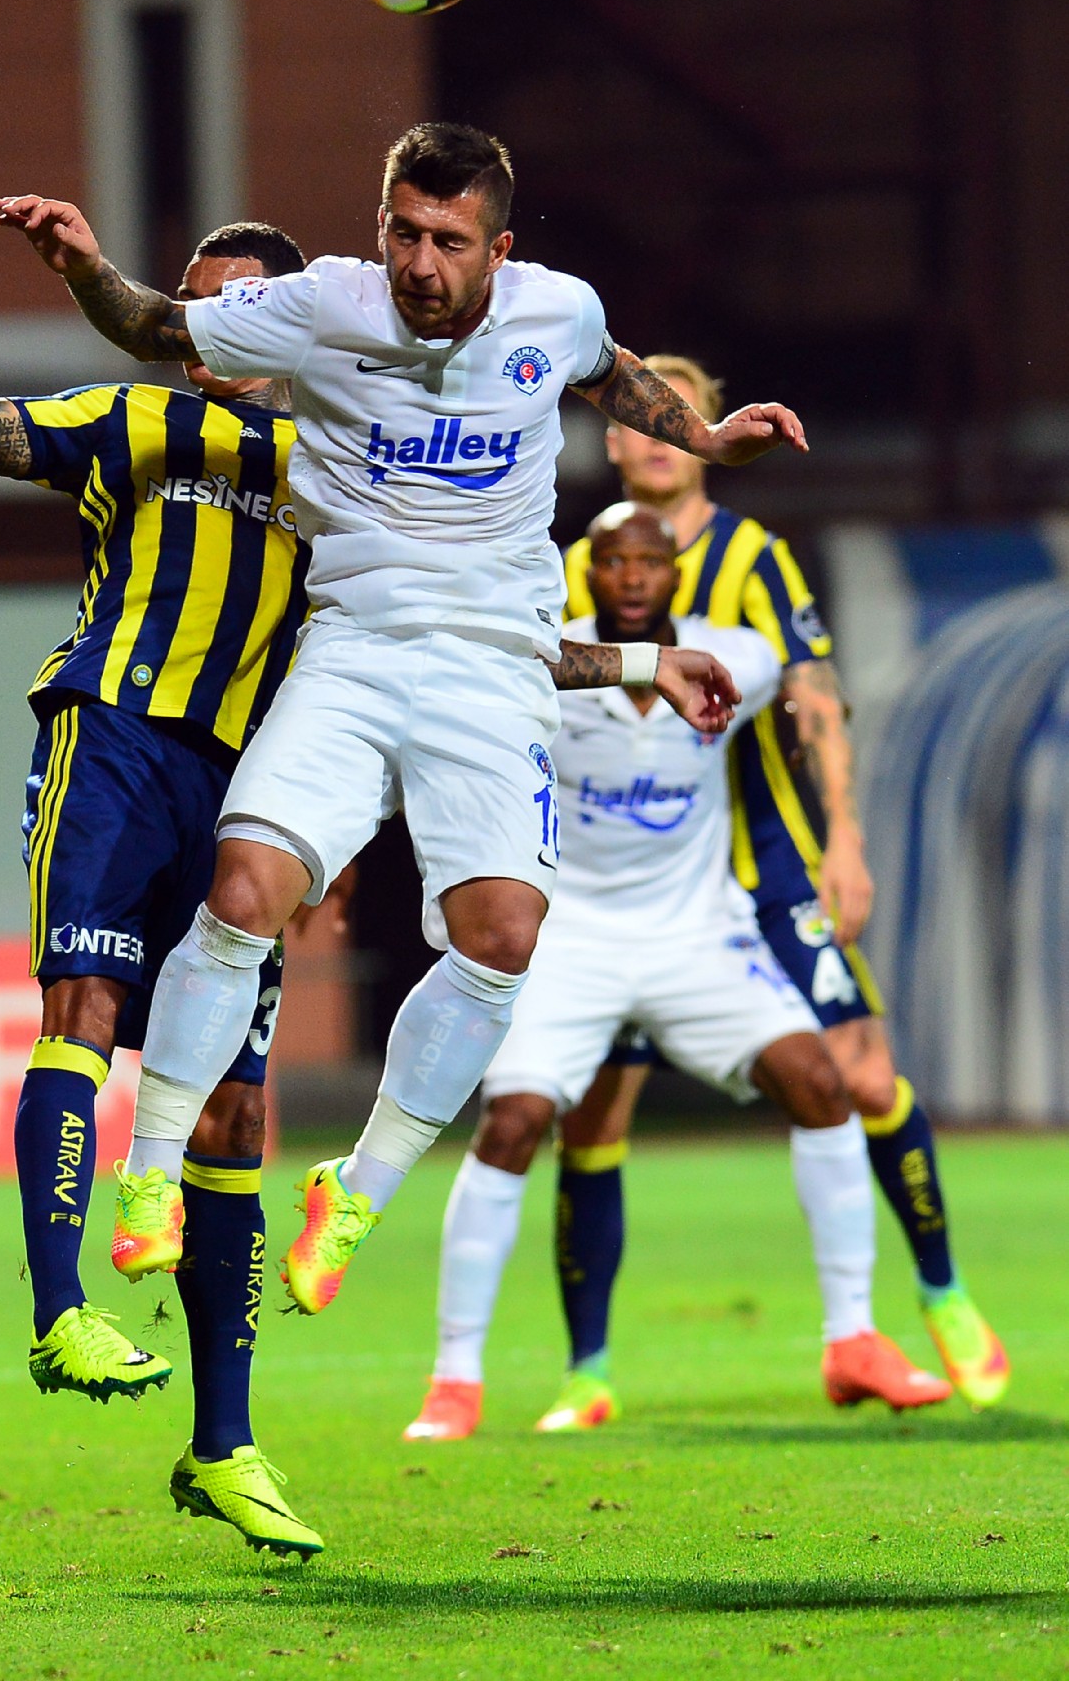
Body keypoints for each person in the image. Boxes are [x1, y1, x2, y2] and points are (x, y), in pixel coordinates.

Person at [0, 122, 804, 1327]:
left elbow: (609, 369)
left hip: (496, 669)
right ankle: (150, 1170)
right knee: (242, 893)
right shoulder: (324, 303)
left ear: (498, 251)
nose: (421, 263)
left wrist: (706, 436)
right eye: (403, 233)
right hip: (355, 650)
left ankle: (359, 1189)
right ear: (380, 224)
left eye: (449, 241)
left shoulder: (554, 311)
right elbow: (158, 328)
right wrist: (81, 268)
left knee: (502, 939)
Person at [0, 182, 325, 1561]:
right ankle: (62, 1311)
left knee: (236, 1109)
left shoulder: (343, 469)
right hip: (113, 739)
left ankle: (225, 1447)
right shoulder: (130, 419)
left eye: (242, 306)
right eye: (195, 305)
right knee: (86, 1014)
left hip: (251, 794)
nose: (211, 327)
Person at [404, 505, 952, 1442]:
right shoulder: (548, 659)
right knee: (515, 1121)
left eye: (648, 562)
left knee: (820, 1083)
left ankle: (854, 1339)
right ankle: (455, 1378)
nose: (631, 576)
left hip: (698, 937)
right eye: (613, 560)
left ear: (674, 574)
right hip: (573, 942)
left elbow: (810, 682)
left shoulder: (733, 654)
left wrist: (837, 794)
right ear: (589, 572)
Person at [552, 355, 1008, 1413]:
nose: (658, 435)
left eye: (681, 418)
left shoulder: (754, 557)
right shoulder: (576, 567)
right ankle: (587, 1372)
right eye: (643, 419)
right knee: (591, 1115)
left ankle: (940, 1291)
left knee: (864, 1076)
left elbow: (812, 694)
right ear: (614, 438)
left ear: (710, 435)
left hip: (762, 865)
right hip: (626, 888)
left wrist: (843, 836)